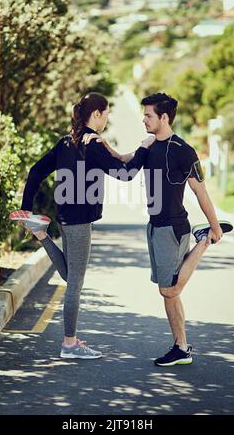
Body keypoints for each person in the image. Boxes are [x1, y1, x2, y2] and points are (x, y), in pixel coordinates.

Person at [83, 92, 232, 366]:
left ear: (164, 117)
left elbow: (201, 191)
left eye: (149, 115)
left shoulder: (182, 150)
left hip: (173, 227)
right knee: (168, 292)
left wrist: (214, 227)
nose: (144, 119)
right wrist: (103, 144)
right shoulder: (150, 146)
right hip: (154, 226)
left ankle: (203, 241)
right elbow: (127, 160)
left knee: (169, 290)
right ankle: (181, 347)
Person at [12, 92, 155, 360]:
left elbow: (35, 171)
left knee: (70, 275)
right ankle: (69, 343)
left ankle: (41, 234)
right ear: (97, 114)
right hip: (79, 221)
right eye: (107, 113)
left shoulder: (68, 142)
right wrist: (146, 147)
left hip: (66, 216)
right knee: (75, 283)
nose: (108, 117)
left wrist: (27, 207)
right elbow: (126, 173)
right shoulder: (92, 145)